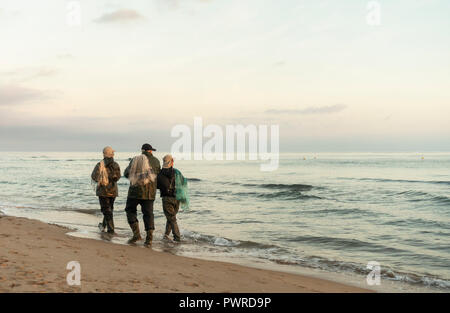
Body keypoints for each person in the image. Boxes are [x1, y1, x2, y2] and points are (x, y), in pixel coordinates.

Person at [124, 143, 161, 246]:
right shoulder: (156, 161)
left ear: (142, 150)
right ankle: (149, 240)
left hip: (134, 192)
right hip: (149, 194)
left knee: (130, 210)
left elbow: (126, 173)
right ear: (150, 151)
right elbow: (158, 173)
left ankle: (136, 234)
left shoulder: (134, 159)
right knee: (148, 214)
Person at [157, 154, 189, 242]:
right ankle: (167, 235)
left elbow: (157, 186)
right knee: (171, 218)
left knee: (171, 218)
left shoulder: (160, 173)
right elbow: (184, 183)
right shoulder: (177, 172)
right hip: (177, 198)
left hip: (166, 198)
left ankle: (177, 237)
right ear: (172, 162)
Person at [91, 146, 121, 235]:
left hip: (103, 191)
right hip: (113, 191)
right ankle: (103, 226)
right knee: (109, 209)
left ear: (104, 154)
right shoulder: (115, 165)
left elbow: (94, 177)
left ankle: (111, 230)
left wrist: (102, 179)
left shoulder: (99, 164)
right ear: (111, 154)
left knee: (106, 210)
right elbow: (117, 177)